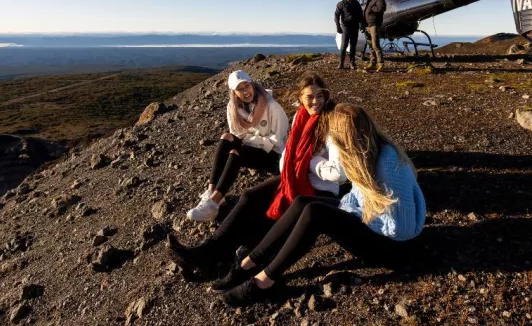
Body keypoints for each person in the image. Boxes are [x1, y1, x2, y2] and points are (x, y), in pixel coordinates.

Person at [215, 103, 426, 307]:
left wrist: (359, 218)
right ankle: (248, 263)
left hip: (393, 248)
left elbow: (402, 229)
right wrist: (351, 211)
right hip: (373, 222)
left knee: (315, 213)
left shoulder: (388, 164)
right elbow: (358, 196)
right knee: (302, 202)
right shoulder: (369, 151)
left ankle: (263, 282)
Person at [168, 73, 345, 272]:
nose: (315, 101)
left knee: (267, 218)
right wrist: (293, 162)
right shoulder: (300, 116)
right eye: (309, 97)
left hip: (319, 187)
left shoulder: (334, 123)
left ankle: (226, 260)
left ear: (327, 95)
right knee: (249, 197)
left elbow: (339, 173)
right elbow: (288, 149)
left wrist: (307, 162)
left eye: (320, 96)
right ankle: (205, 251)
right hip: (293, 176)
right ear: (300, 99)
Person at [186, 70, 289, 222]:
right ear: (234, 93)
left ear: (252, 84)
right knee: (226, 138)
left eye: (246, 85)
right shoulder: (233, 108)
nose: (245, 91)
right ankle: (211, 191)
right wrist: (251, 140)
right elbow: (236, 133)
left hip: (275, 155)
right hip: (254, 145)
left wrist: (251, 141)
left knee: (236, 152)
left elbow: (277, 141)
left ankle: (212, 205)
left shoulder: (271, 106)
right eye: (239, 89)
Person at [334, 0, 364, 70]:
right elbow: (336, 15)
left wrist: (362, 24)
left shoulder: (357, 3)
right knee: (344, 46)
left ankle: (352, 63)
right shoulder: (341, 3)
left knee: (353, 46)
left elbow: (361, 15)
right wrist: (338, 26)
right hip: (346, 27)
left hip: (355, 27)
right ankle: (341, 63)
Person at [363, 0, 386, 72]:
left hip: (374, 24)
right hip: (368, 25)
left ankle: (381, 64)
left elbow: (381, 8)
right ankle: (373, 63)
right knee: (371, 46)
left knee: (375, 45)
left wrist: (371, 9)